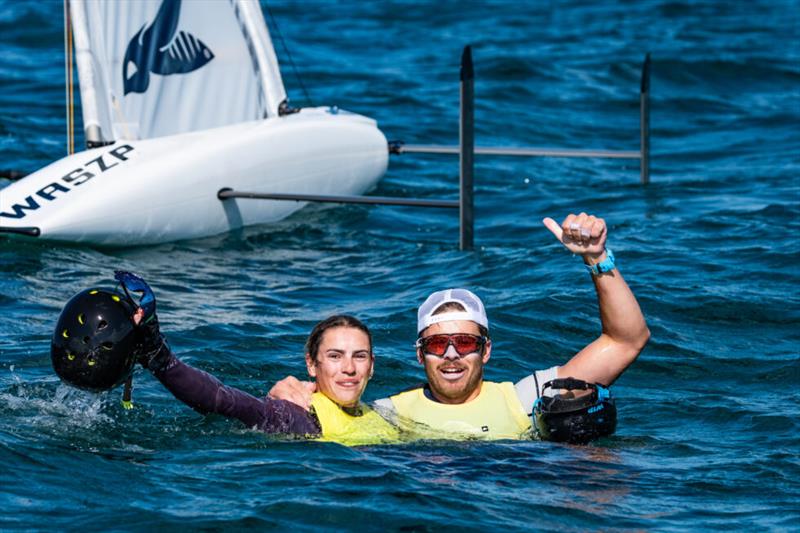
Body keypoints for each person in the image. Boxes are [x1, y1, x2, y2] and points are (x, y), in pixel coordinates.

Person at [270, 212, 650, 440]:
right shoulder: (387, 414)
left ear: (486, 349)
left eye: (464, 342)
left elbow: (627, 340)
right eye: (437, 345)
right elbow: (329, 407)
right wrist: (286, 391)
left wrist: (597, 258)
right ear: (419, 355)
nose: (451, 355)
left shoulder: (524, 398)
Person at [56, 272, 398, 445]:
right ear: (312, 364)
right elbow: (225, 401)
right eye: (335, 356)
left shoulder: (385, 415)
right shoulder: (297, 416)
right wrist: (160, 358)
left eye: (360, 356)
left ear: (373, 366)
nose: (349, 368)